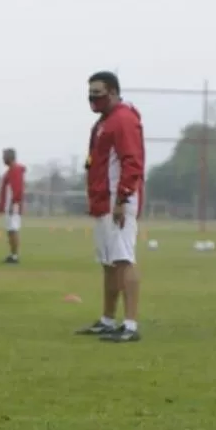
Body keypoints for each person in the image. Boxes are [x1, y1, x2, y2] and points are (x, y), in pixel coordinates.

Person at [75, 71, 145, 343]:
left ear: (114, 92)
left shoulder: (123, 119)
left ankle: (129, 325)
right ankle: (107, 319)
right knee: (108, 262)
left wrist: (122, 199)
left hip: (119, 201)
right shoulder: (104, 122)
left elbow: (132, 163)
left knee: (124, 259)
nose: (93, 98)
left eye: (98, 92)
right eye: (90, 93)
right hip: (105, 202)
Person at [0, 148, 26, 264]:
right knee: (10, 230)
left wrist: (14, 203)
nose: (2, 159)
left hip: (13, 206)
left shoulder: (15, 170)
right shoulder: (10, 171)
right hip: (10, 205)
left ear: (10, 157)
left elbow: (17, 189)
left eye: (4, 156)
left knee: (13, 229)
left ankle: (15, 256)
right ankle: (12, 254)